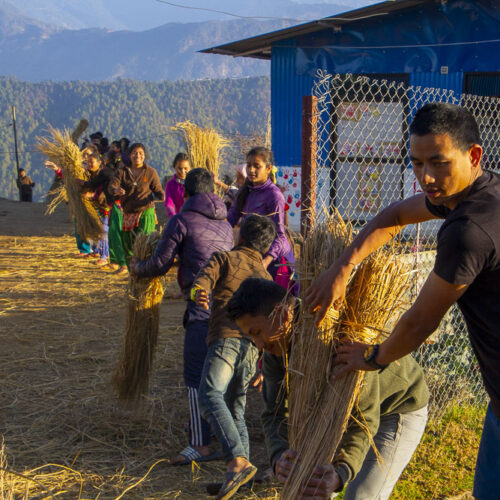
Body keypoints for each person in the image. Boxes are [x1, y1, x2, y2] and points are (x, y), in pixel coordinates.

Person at [305, 102, 500, 500]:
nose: (426, 177)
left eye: (438, 163)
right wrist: (344, 266)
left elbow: (420, 322)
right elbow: (394, 217)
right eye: (416, 162)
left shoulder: (468, 231)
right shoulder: (481, 193)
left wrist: (373, 357)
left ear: (474, 155)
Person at [227, 277, 429, 500]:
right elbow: (274, 413)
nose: (258, 345)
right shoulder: (277, 349)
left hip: (396, 407)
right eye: (251, 337)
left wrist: (341, 473)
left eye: (256, 332)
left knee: (360, 495)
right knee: (311, 490)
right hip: (336, 416)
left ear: (281, 314)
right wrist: (279, 457)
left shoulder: (341, 338)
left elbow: (364, 419)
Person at [130, 168, 234, 465]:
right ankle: (226, 437)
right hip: (227, 308)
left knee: (194, 374)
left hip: (201, 307)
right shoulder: (226, 224)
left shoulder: (181, 220)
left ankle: (200, 444)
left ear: (186, 193)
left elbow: (159, 264)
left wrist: (137, 268)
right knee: (220, 374)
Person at [192, 214, 276, 500]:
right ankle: (244, 480)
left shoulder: (224, 258)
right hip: (252, 349)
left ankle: (237, 461)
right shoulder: (265, 276)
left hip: (226, 338)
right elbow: (271, 324)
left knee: (209, 394)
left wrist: (200, 292)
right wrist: (263, 362)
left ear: (240, 236)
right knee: (235, 409)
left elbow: (203, 279)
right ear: (265, 247)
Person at [227, 147, 294, 288]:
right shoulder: (244, 191)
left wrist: (266, 261)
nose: (251, 170)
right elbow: (230, 219)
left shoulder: (274, 195)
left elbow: (280, 236)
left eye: (256, 166)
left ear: (268, 168)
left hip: (275, 262)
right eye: (249, 165)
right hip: (252, 257)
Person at [108, 143, 164, 265]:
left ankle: (144, 270)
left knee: (144, 243)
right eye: (134, 153)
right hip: (128, 213)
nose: (137, 155)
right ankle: (133, 272)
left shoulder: (150, 172)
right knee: (128, 245)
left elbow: (158, 190)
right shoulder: (122, 172)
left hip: (146, 212)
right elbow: (111, 187)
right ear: (129, 155)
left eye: (140, 153)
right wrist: (116, 190)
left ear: (144, 156)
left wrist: (163, 195)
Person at [164, 152, 191, 218]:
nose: (182, 171)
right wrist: (174, 216)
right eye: (179, 168)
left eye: (185, 168)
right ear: (174, 167)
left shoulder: (194, 183)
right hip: (179, 219)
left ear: (190, 168)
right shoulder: (170, 185)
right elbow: (169, 204)